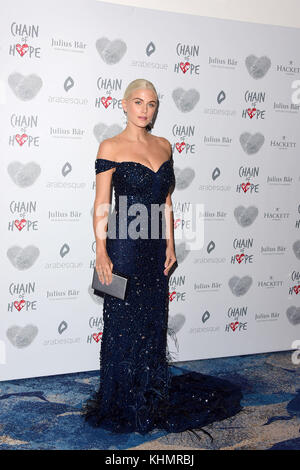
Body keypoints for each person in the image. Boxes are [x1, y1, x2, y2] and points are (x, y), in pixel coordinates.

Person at [82, 79, 243, 440]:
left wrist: (171, 244)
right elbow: (101, 204)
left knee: (154, 320)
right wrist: (101, 250)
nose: (144, 109)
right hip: (123, 244)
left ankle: (150, 394)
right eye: (137, 102)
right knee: (123, 322)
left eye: (151, 103)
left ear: (156, 108)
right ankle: (121, 399)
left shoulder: (165, 146)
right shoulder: (110, 146)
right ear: (123, 104)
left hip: (155, 246)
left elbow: (167, 202)